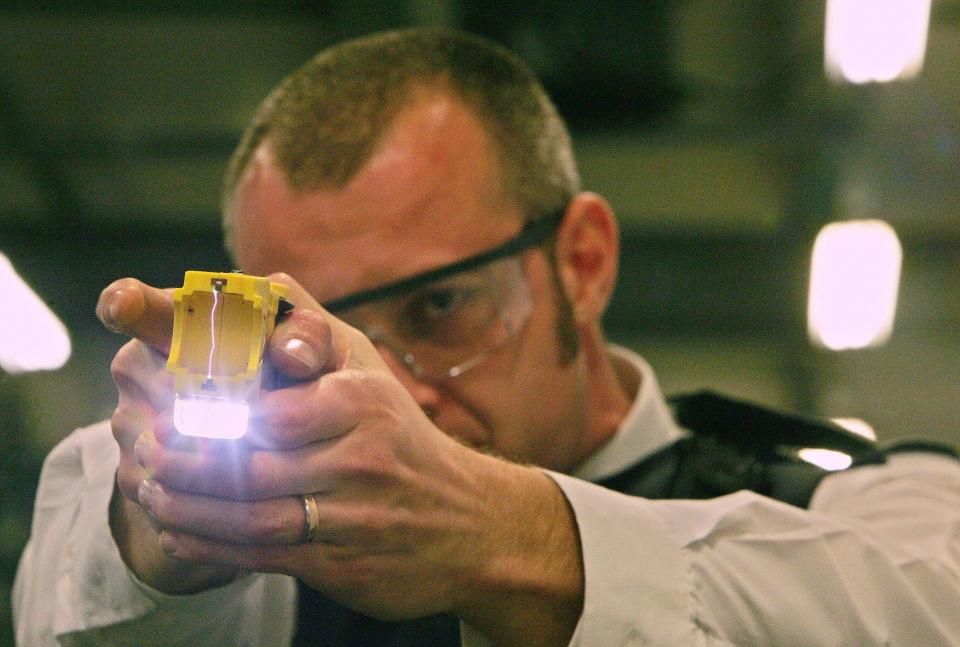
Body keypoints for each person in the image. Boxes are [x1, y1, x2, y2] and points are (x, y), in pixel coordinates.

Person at [13, 27, 960, 646]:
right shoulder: (263, 565)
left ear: (582, 261)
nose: (387, 387)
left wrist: (502, 534)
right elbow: (70, 583)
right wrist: (158, 529)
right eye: (305, 333)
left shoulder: (857, 505)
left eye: (438, 309)